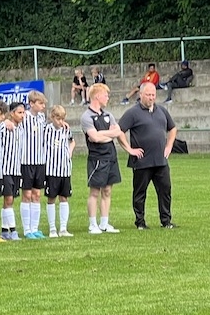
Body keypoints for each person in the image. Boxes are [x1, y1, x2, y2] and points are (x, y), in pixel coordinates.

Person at [118, 82, 178, 229]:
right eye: (148, 95)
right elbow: (119, 131)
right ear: (141, 95)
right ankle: (140, 222)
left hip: (160, 161)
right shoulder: (132, 113)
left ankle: (166, 221)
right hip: (142, 161)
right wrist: (129, 149)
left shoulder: (162, 111)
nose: (151, 98)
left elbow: (172, 128)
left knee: (165, 191)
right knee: (140, 193)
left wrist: (169, 145)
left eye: (153, 95)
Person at [81, 83, 123, 234]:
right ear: (97, 96)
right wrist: (108, 135)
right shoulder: (86, 117)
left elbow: (117, 131)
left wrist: (103, 135)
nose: (108, 98)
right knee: (95, 191)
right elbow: (95, 137)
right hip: (97, 158)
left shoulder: (108, 115)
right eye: (106, 95)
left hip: (111, 156)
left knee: (107, 190)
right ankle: (92, 224)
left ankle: (104, 223)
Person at [18, 93, 50, 238]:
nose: (43, 106)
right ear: (31, 103)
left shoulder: (42, 117)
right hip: (26, 161)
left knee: (37, 194)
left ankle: (34, 228)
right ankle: (27, 230)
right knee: (27, 194)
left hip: (40, 161)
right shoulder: (24, 117)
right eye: (40, 103)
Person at [43, 104, 75, 238]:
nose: (60, 122)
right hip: (51, 170)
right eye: (58, 119)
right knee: (51, 198)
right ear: (52, 117)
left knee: (64, 197)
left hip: (65, 169)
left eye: (62, 119)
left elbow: (72, 141)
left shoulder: (66, 129)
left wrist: (70, 151)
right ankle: (52, 229)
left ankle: (63, 228)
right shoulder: (46, 129)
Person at [0, 100, 21, 242]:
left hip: (16, 170)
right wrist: (5, 122)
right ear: (12, 113)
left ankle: (5, 231)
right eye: (19, 113)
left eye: (23, 113)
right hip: (5, 169)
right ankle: (13, 230)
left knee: (10, 201)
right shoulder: (4, 127)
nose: (22, 115)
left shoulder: (21, 128)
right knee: (8, 199)